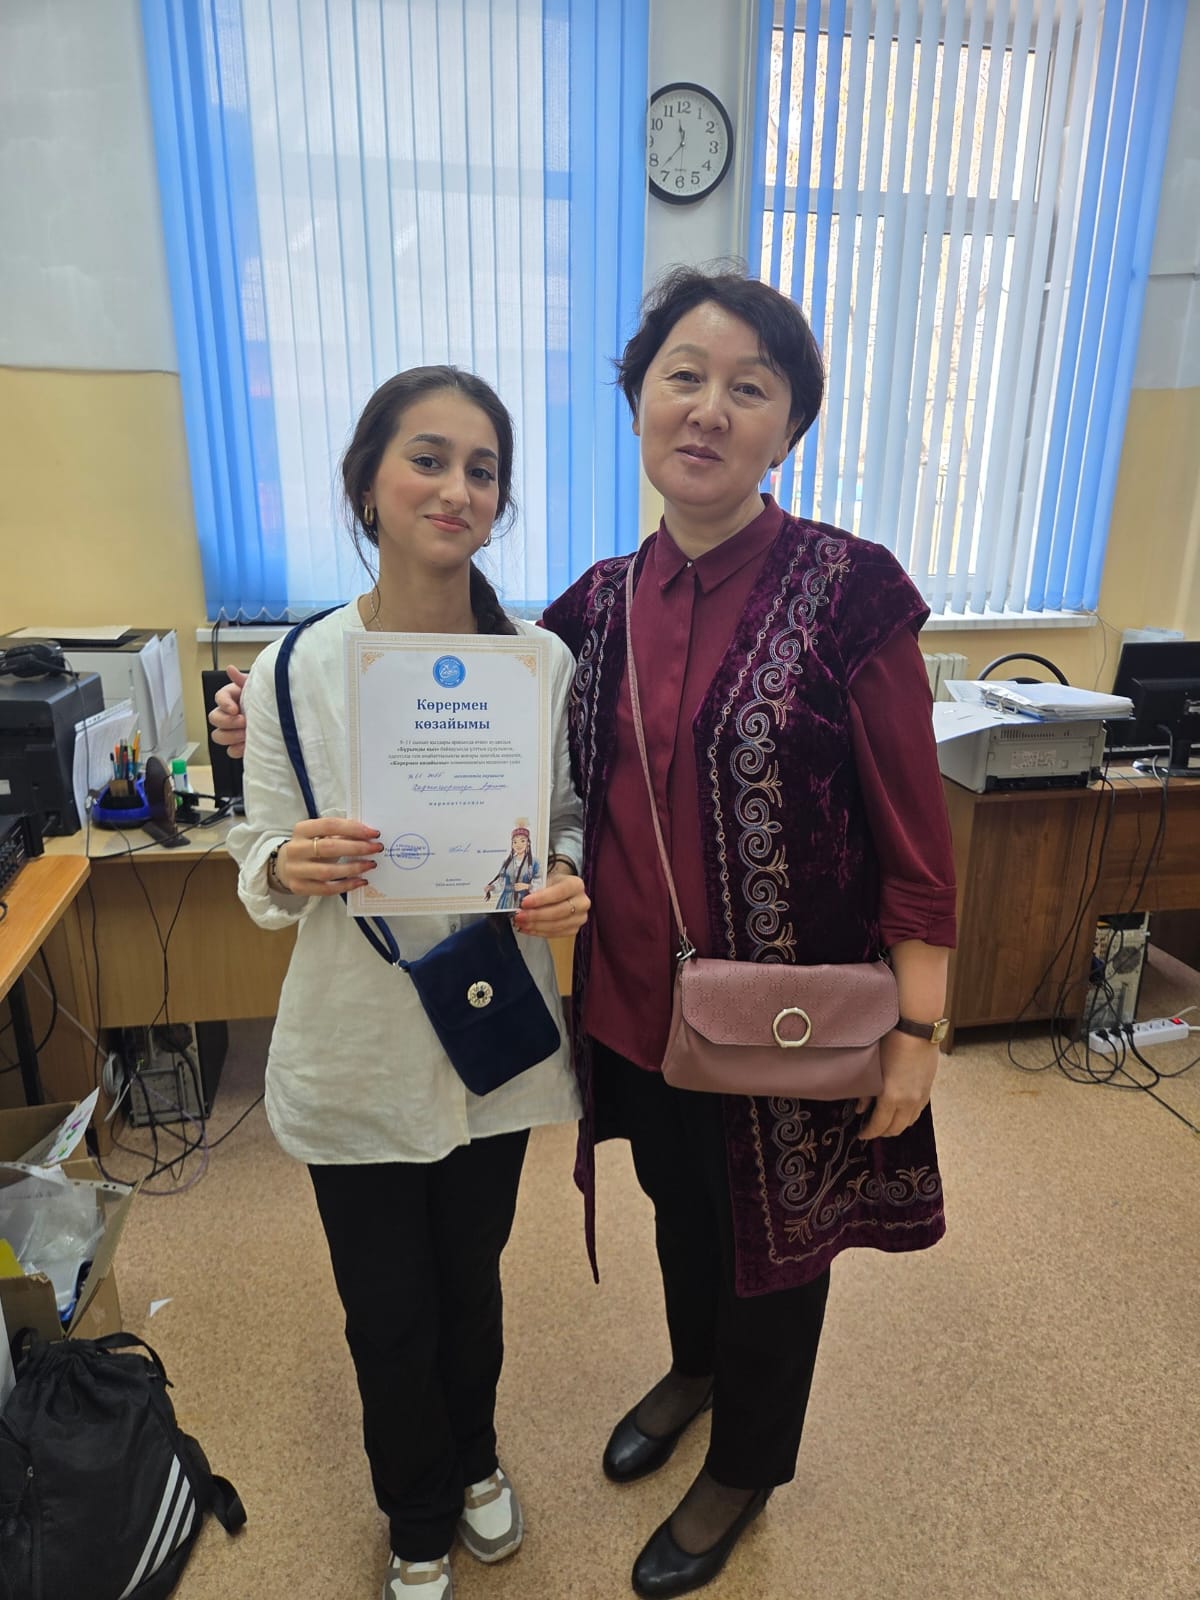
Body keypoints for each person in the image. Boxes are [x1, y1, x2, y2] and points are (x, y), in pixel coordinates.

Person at [213, 268, 956, 1599]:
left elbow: (915, 830)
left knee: (775, 1236)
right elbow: (483, 719)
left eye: (748, 387)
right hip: (632, 1007)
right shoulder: (593, 608)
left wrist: (918, 1024)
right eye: (683, 376)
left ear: (789, 425)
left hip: (788, 1019)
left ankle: (746, 1462)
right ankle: (692, 1369)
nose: (709, 409)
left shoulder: (852, 591)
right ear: (638, 403)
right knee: (682, 1206)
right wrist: (257, 710)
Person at [224, 365, 590, 1600]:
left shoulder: (538, 662)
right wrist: (288, 859)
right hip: (358, 1041)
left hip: (491, 1032)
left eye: (482, 469)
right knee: (386, 1307)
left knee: (470, 1282)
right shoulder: (293, 668)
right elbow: (255, 849)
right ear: (367, 484)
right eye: (427, 459)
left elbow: (566, 820)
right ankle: (418, 1512)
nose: (456, 488)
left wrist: (568, 878)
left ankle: (476, 1457)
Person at [483, 822, 540, 907]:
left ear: (528, 843)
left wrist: (527, 886)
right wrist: (491, 887)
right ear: (512, 844)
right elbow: (501, 883)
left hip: (525, 899)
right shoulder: (507, 862)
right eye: (515, 842)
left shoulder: (534, 862)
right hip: (506, 901)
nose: (518, 845)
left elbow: (540, 883)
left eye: (522, 841)